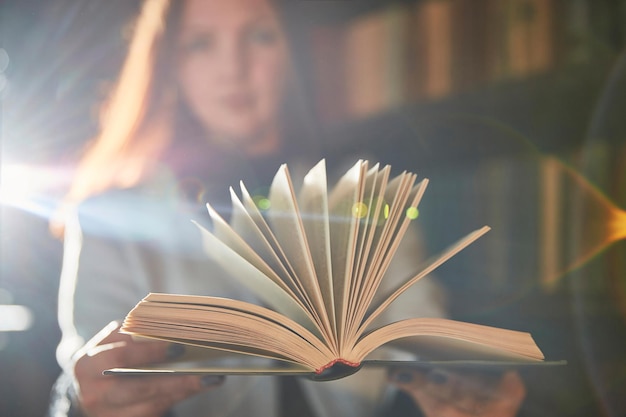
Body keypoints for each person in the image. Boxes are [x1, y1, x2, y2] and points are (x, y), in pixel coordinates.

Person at [48, 0, 526, 416]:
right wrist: (82, 402)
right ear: (170, 63)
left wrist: (457, 387)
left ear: (293, 49)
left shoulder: (365, 190)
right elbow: (89, 373)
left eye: (258, 36)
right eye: (201, 43)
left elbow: (421, 333)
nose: (233, 67)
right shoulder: (109, 215)